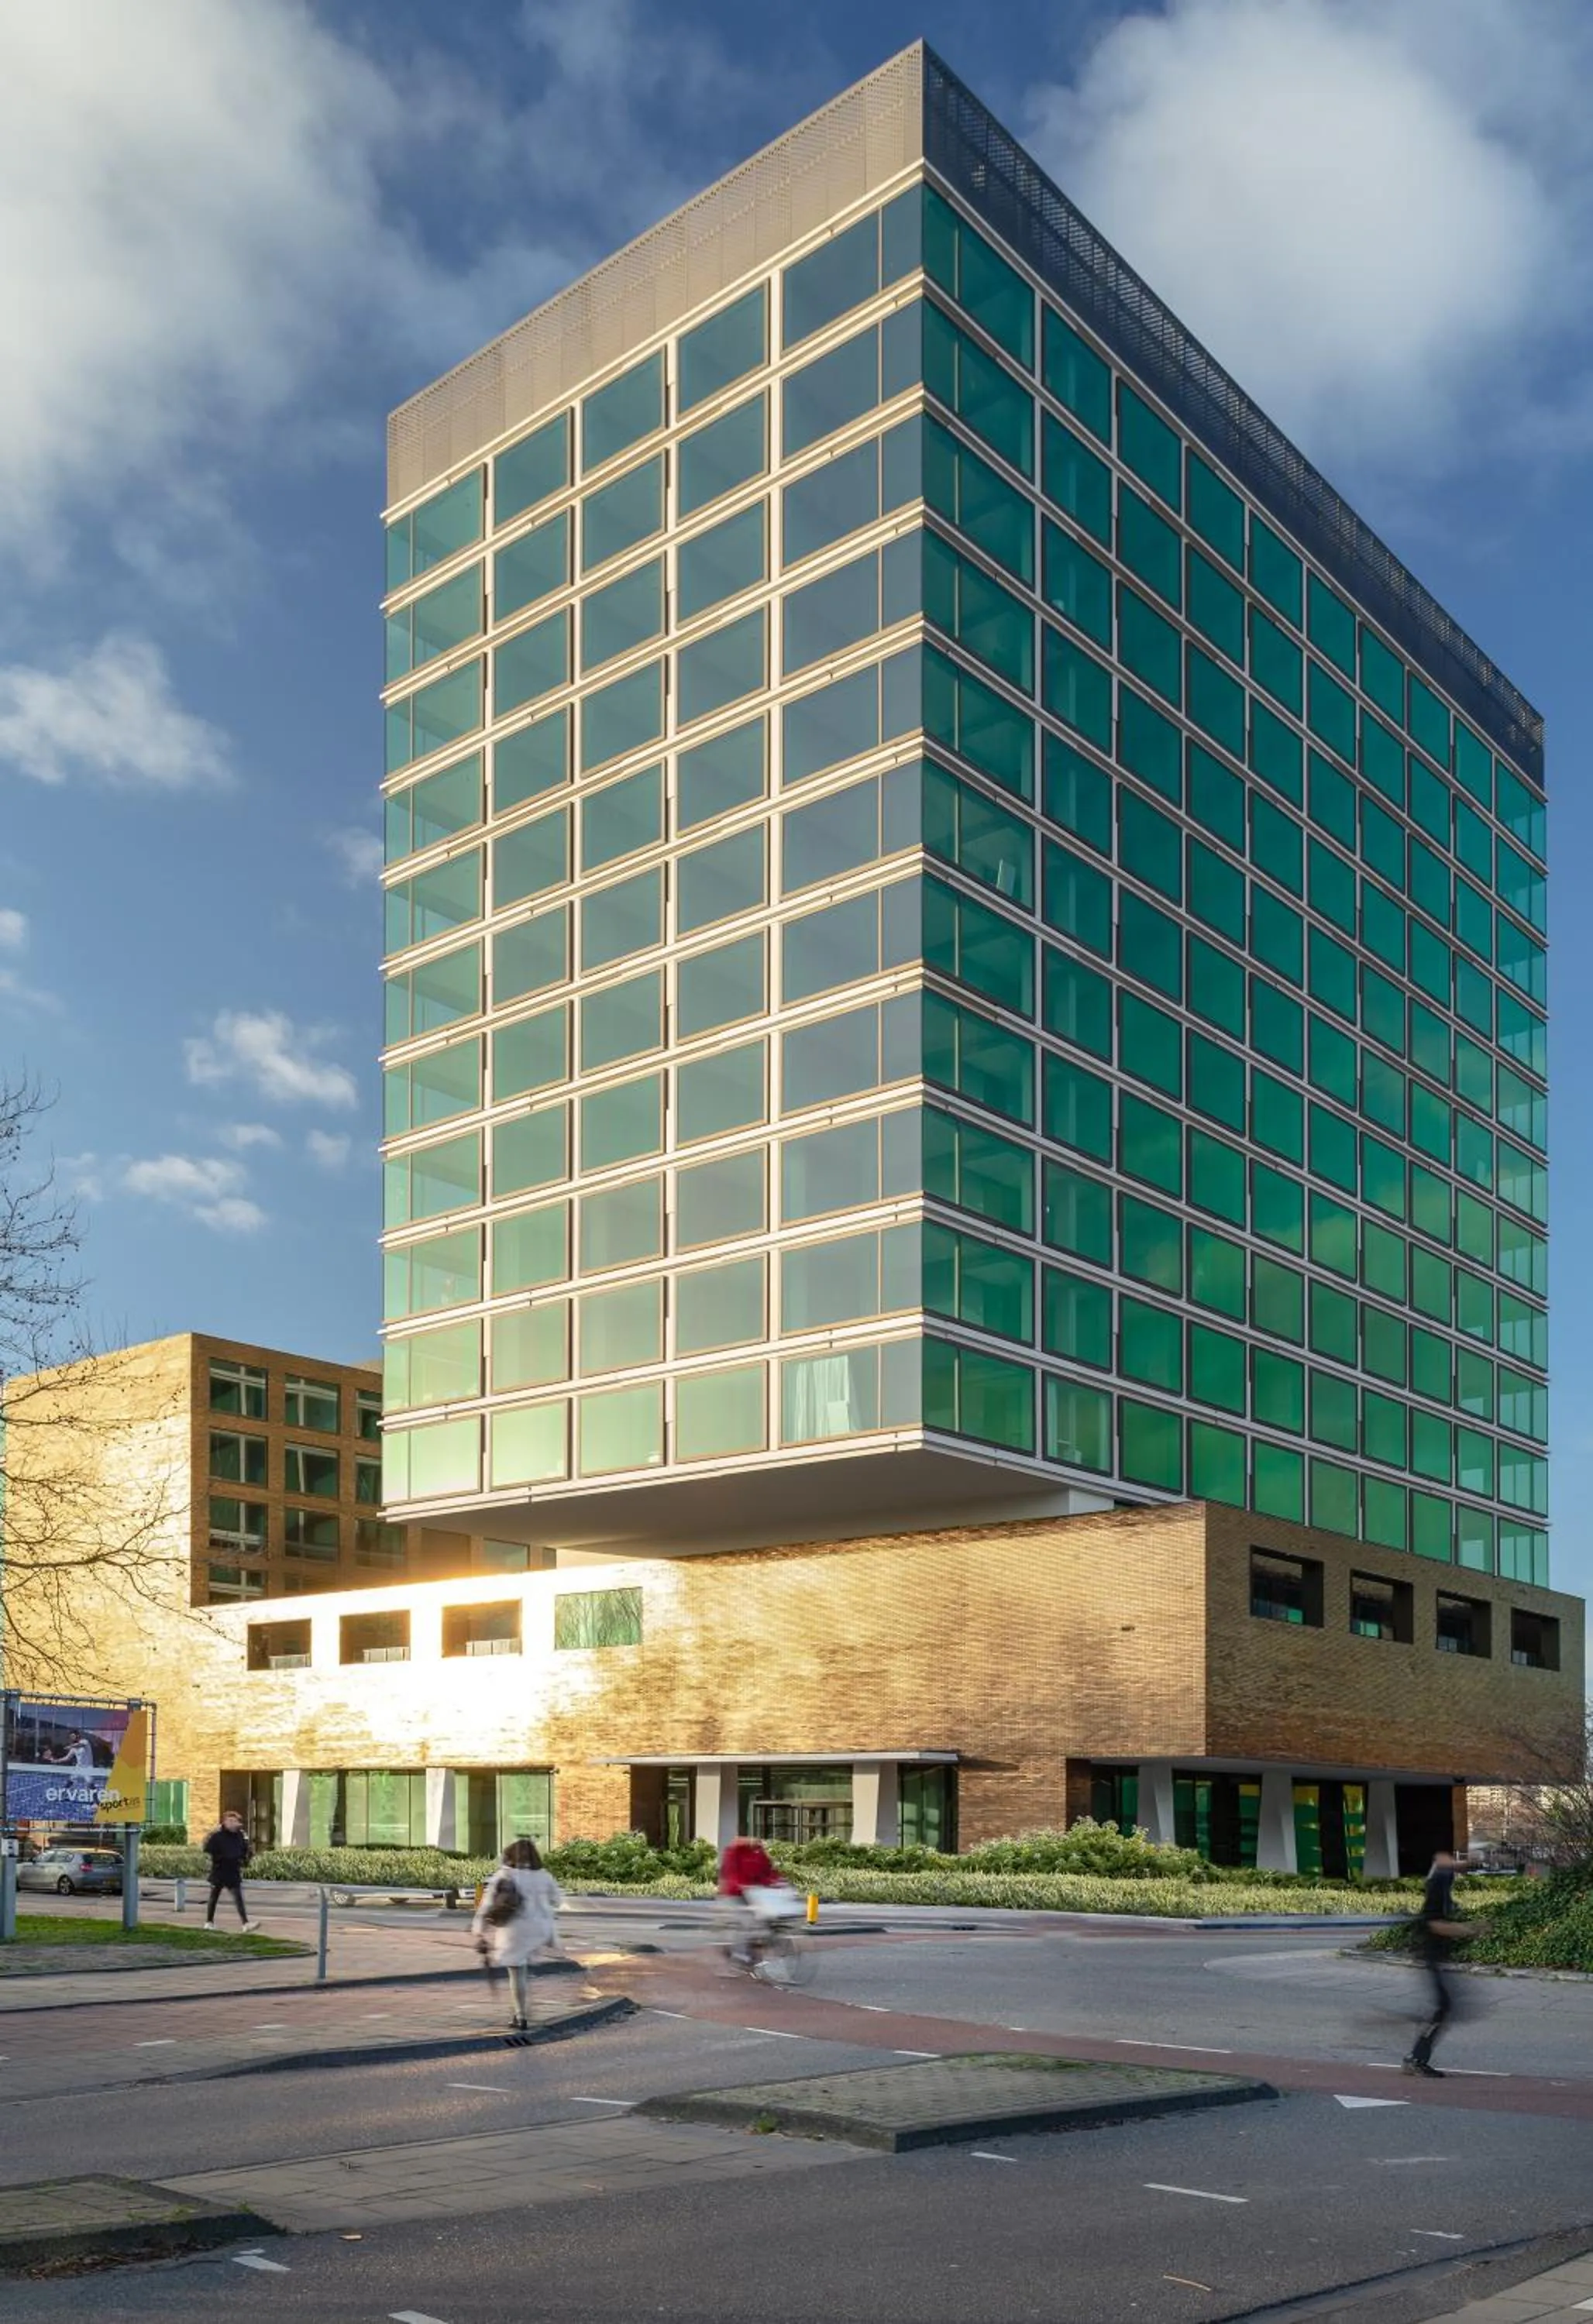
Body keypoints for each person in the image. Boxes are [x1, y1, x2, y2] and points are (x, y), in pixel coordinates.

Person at [472, 1837, 563, 2030]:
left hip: (515, 1931)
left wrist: (479, 1931)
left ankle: (520, 2016)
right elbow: (557, 1901)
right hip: (540, 1930)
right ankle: (523, 2006)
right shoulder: (544, 1876)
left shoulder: (505, 1876)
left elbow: (487, 1906)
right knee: (523, 1969)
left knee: (516, 1973)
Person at [1403, 1847, 1471, 2077]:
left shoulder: (1442, 1878)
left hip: (1435, 1956)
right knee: (1443, 2007)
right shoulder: (1438, 1884)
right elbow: (1434, 1923)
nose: (1452, 1860)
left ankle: (1416, 2056)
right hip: (1431, 1956)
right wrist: (1468, 1930)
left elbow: (1455, 1865)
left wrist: (1482, 1859)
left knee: (1444, 2007)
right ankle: (1416, 2059)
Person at [717, 1833, 782, 1965]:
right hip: (735, 1894)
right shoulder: (733, 1853)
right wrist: (740, 1886)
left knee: (768, 1919)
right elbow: (731, 1873)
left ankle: (757, 1944)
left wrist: (777, 1882)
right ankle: (740, 1953)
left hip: (755, 1894)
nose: (753, 1843)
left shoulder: (759, 1854)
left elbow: (768, 1871)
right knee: (747, 1922)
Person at [201, 1808, 260, 1932]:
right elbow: (208, 1849)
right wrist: (218, 1858)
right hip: (219, 1870)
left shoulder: (240, 1836)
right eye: (230, 1821)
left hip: (233, 1871)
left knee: (238, 1897)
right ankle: (209, 1922)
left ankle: (245, 1924)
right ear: (225, 1822)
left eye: (235, 1821)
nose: (233, 1823)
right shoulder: (217, 1836)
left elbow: (245, 1851)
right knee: (214, 1897)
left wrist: (246, 1858)